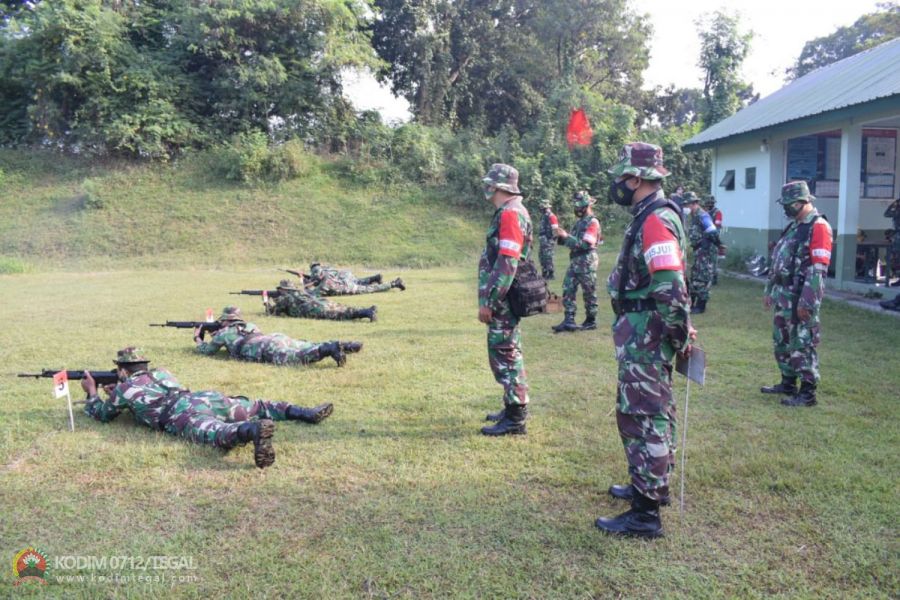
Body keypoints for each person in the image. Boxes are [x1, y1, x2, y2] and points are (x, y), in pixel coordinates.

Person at [597, 142, 696, 539]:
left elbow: (670, 286)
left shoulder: (655, 219)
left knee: (644, 415)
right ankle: (649, 484)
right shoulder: (650, 215)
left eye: (622, 178)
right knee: (652, 410)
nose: (618, 185)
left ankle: (646, 513)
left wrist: (678, 330)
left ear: (636, 178)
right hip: (645, 330)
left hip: (648, 333)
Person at [82, 347, 334, 469]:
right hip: (204, 398)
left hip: (181, 415)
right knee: (258, 405)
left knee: (217, 433)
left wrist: (92, 393)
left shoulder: (126, 389)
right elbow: (145, 391)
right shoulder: (162, 373)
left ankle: (252, 431)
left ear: (123, 370)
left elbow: (103, 415)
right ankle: (305, 413)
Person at [761, 181, 833, 407]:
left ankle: (808, 392)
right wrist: (770, 289)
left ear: (802, 202)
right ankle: (788, 382)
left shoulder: (818, 226)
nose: (785, 208)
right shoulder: (795, 226)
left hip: (801, 295)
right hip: (784, 294)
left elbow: (817, 269)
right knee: (782, 340)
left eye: (788, 204)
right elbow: (779, 259)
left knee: (802, 342)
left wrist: (807, 302)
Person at [477, 163, 533, 436]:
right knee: (508, 350)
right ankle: (512, 406)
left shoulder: (511, 214)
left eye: (490, 184)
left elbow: (508, 261)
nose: (487, 189)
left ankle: (516, 417)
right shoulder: (512, 211)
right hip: (507, 296)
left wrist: (490, 299)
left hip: (504, 297)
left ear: (499, 187)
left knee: (506, 354)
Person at [194, 306, 361, 367]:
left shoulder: (224, 333)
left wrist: (198, 339)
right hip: (274, 338)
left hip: (263, 348)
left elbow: (207, 351)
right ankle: (344, 345)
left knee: (297, 357)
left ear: (224, 320)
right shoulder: (250, 325)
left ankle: (328, 349)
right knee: (303, 345)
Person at [553, 190, 602, 332]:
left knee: (589, 290)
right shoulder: (579, 223)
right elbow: (572, 242)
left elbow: (585, 244)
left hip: (587, 259)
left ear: (587, 206)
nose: (577, 209)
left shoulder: (593, 222)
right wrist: (561, 237)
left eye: (580, 206)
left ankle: (591, 320)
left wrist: (566, 236)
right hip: (575, 259)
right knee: (568, 288)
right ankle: (569, 319)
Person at [682, 192, 721, 314]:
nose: (686, 207)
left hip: (704, 251)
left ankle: (701, 305)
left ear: (694, 204)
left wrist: (714, 245)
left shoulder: (703, 215)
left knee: (703, 277)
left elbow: (713, 232)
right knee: (695, 277)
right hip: (698, 251)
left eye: (687, 204)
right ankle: (693, 304)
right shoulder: (694, 216)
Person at [266, 279, 377, 321]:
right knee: (342, 308)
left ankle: (367, 312)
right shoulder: (300, 292)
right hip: (320, 302)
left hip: (313, 309)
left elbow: (272, 312)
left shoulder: (286, 298)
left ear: (284, 290)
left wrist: (266, 302)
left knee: (340, 314)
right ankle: (367, 309)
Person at [306, 263, 405, 296]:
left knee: (370, 289)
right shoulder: (326, 272)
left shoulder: (325, 283)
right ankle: (375, 278)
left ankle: (394, 283)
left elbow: (314, 294)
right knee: (359, 282)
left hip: (348, 287)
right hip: (345, 280)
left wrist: (303, 282)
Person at [703, 195, 724, 284]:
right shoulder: (705, 212)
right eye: (708, 203)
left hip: (714, 239)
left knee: (713, 259)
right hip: (705, 238)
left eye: (710, 203)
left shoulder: (718, 212)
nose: (708, 205)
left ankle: (714, 278)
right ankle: (706, 276)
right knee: (705, 259)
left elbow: (717, 227)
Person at [537, 198, 559, 280]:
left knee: (548, 257)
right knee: (542, 256)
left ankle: (550, 273)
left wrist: (552, 240)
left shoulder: (551, 216)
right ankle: (545, 272)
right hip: (543, 240)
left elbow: (555, 229)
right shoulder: (544, 216)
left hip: (548, 240)